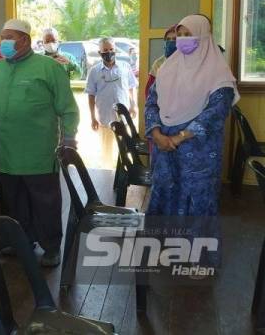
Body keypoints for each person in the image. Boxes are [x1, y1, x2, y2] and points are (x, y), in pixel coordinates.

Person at [0, 18, 79, 267]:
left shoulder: (48, 67)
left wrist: (68, 139)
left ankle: (51, 247)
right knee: (12, 200)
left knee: (45, 201)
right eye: (2, 38)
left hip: (37, 152)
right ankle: (20, 241)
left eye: (9, 37)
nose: (4, 43)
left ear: (25, 40)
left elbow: (67, 107)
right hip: (5, 150)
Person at [144, 14, 239, 271]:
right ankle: (166, 252)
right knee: (166, 193)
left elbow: (215, 113)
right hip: (164, 149)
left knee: (197, 202)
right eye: (180, 34)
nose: (183, 40)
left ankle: (201, 259)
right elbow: (151, 101)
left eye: (189, 34)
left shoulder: (218, 73)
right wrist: (155, 132)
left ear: (205, 37)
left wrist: (179, 136)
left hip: (198, 153)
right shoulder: (167, 68)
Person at [85, 37, 138, 169]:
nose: (108, 52)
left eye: (111, 49)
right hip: (105, 117)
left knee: (125, 147)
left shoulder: (125, 67)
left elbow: (131, 88)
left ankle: (124, 172)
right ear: (99, 52)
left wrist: (133, 105)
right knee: (106, 149)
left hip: (123, 118)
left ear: (115, 50)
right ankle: (108, 172)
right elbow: (91, 95)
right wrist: (92, 118)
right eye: (105, 50)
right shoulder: (94, 71)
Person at [145, 25, 177, 99]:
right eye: (168, 39)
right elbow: (149, 91)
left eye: (175, 39)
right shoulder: (159, 63)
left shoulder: (190, 62)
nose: (171, 42)